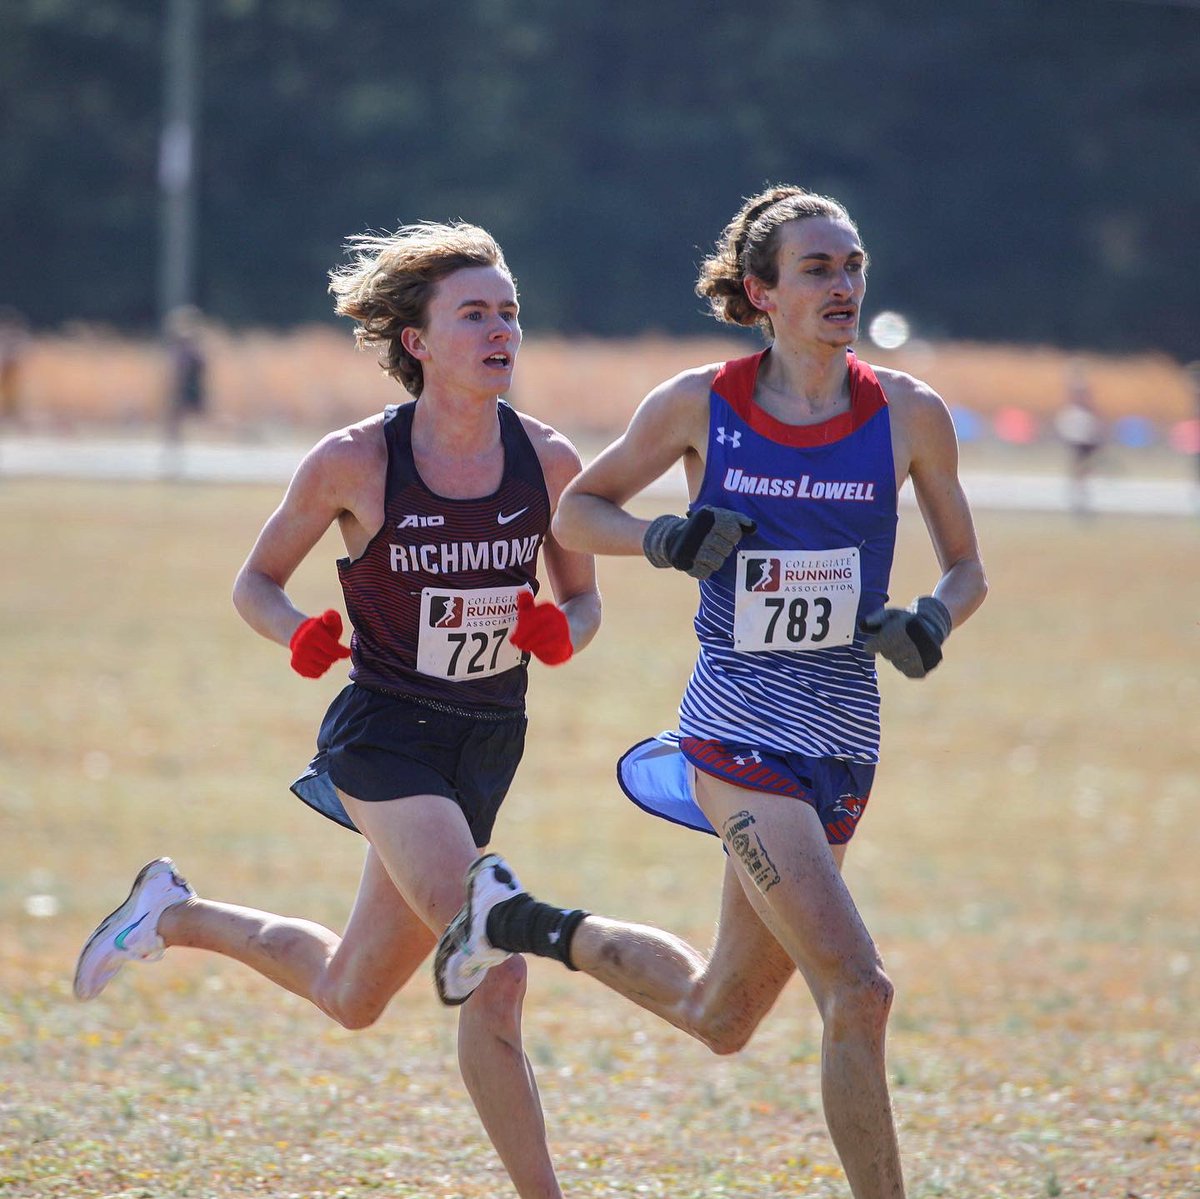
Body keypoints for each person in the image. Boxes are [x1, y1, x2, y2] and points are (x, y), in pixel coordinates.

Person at [434, 185, 988, 1199]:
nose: (844, 285)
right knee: (858, 990)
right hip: (737, 731)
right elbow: (575, 511)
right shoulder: (703, 404)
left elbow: (967, 571)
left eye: (854, 265)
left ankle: (515, 920)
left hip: (844, 739)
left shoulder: (909, 413)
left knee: (720, 1014)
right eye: (818, 269)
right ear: (760, 293)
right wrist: (665, 537)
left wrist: (930, 622)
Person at [73, 221, 601, 1199]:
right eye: (474, 313)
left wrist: (564, 630)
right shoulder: (355, 461)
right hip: (386, 740)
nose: (501, 331)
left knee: (352, 993)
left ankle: (174, 913)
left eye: (510, 312)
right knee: (496, 963)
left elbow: (583, 597)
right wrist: (300, 634)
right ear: (419, 341)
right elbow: (255, 584)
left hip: (486, 745)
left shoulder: (548, 460)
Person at [1054, 359, 1104, 516]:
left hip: (1081, 433)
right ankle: (1079, 500)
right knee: (1081, 470)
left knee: (1081, 470)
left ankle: (1080, 499)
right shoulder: (1079, 391)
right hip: (1079, 434)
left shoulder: (1079, 389)